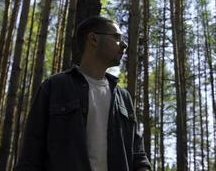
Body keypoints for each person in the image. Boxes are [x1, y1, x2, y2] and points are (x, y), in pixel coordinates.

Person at [15, 16, 151, 171]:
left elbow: (138, 155)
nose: (124, 44)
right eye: (116, 37)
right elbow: (30, 155)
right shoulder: (54, 86)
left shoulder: (124, 97)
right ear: (93, 39)